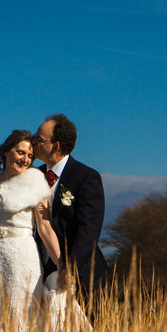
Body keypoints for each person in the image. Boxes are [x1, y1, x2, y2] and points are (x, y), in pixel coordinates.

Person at [0, 129, 88, 332]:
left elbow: (45, 228)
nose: (25, 159)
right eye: (21, 152)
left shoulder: (36, 185)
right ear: (6, 151)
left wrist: (62, 265)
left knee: (20, 318)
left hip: (22, 259)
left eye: (30, 156)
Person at [31, 114, 108, 321]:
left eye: (39, 139)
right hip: (38, 272)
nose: (33, 143)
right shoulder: (32, 176)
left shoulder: (86, 177)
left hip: (80, 276)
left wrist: (70, 267)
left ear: (55, 146)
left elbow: (89, 229)